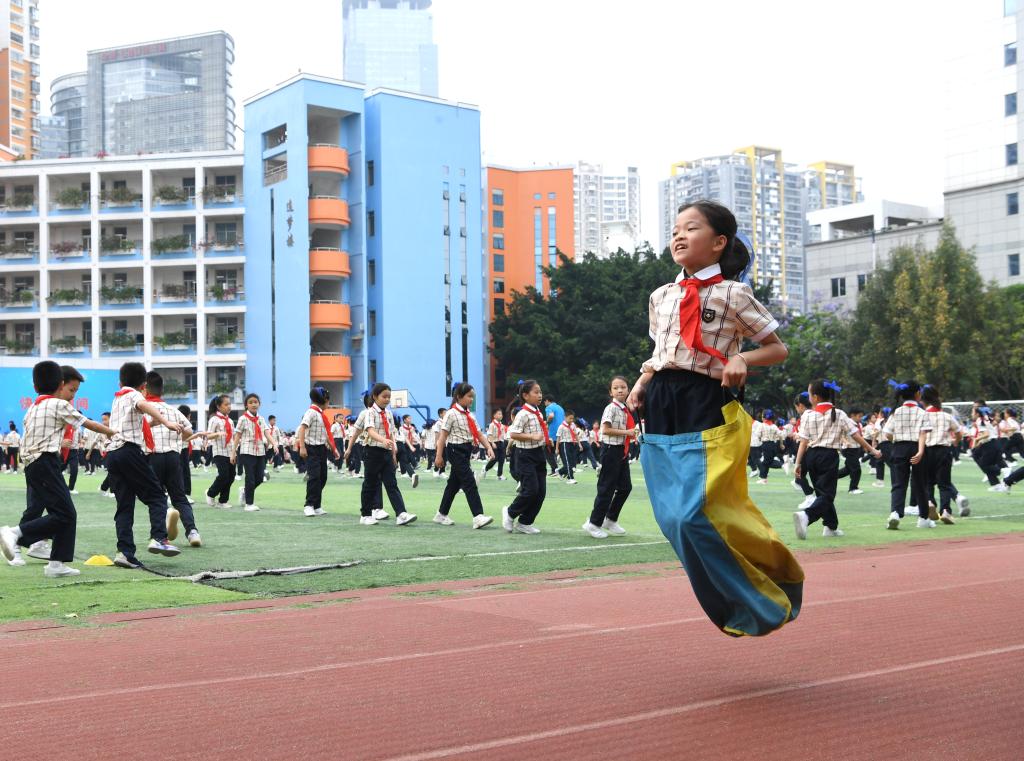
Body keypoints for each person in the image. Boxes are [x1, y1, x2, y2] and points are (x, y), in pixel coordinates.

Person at [625, 199, 803, 637]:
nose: (679, 236)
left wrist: (742, 358)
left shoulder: (733, 294)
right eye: (675, 230)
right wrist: (642, 382)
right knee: (672, 519)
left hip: (706, 398)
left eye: (691, 228)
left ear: (719, 242)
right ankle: (740, 601)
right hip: (660, 402)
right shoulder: (660, 297)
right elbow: (662, 352)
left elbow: (777, 349)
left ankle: (772, 584)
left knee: (697, 513)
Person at [1, 362, 117, 576]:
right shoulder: (59, 405)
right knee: (65, 514)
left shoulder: (32, 408)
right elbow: (88, 423)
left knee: (64, 513)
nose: (72, 396)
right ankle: (15, 533)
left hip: (34, 465)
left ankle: (56, 564)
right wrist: (113, 432)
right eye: (72, 390)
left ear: (35, 387)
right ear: (61, 384)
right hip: (45, 462)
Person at [104, 362, 186, 569]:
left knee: (124, 505)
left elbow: (129, 426)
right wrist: (166, 422)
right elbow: (143, 404)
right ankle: (159, 538)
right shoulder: (134, 395)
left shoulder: (117, 399)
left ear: (120, 382)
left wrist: (150, 423)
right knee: (157, 496)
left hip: (113, 454)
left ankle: (124, 552)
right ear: (144, 386)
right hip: (129, 452)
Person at [792, 380, 880, 539]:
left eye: (810, 394)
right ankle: (806, 516)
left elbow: (803, 442)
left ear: (816, 397)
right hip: (829, 456)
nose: (809, 397)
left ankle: (831, 527)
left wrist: (798, 463)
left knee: (822, 493)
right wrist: (872, 449)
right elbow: (855, 435)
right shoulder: (839, 414)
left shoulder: (807, 415)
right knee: (827, 495)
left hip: (811, 456)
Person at [144, 372, 204, 548]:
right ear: (161, 390)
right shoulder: (173, 410)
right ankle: (192, 532)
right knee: (179, 497)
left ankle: (159, 535)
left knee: (156, 497)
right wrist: (178, 438)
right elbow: (189, 431)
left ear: (145, 389)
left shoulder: (143, 409)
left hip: (153, 457)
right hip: (173, 457)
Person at [433, 383, 494, 528]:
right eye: (469, 396)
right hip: (455, 450)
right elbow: (442, 436)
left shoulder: (470, 415)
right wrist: (438, 456)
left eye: (473, 397)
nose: (471, 399)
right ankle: (478, 516)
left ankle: (441, 514)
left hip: (466, 450)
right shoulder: (451, 414)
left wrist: (488, 447)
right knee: (469, 482)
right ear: (459, 397)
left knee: (453, 485)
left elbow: (479, 433)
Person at [585, 375, 638, 538]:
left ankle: (610, 519)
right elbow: (605, 430)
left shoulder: (624, 408)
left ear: (628, 390)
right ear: (610, 392)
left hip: (621, 451)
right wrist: (627, 432)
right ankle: (594, 523)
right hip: (610, 450)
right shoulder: (611, 408)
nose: (620, 390)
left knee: (625, 487)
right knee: (606, 488)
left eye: (623, 387)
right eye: (616, 388)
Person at [359, 383, 417, 526]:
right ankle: (365, 515)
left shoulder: (389, 413)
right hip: (372, 452)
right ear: (375, 396)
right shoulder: (370, 412)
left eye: (389, 397)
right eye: (384, 396)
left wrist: (393, 453)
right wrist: (383, 440)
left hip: (386, 453)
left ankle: (401, 514)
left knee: (392, 483)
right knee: (370, 484)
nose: (387, 399)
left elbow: (390, 433)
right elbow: (370, 430)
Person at [882, 380, 933, 529]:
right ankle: (923, 518)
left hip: (899, 448)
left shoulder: (896, 412)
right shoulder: (922, 412)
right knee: (920, 483)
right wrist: (920, 451)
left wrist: (897, 441)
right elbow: (923, 433)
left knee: (899, 482)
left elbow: (887, 433)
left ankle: (895, 513)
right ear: (917, 394)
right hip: (917, 447)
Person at [503, 380, 550, 534]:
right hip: (525, 455)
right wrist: (532, 437)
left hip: (538, 454)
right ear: (525, 395)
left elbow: (539, 432)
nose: (540, 395)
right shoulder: (522, 414)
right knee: (531, 490)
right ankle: (510, 513)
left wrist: (545, 439)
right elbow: (513, 433)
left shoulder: (538, 412)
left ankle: (525, 522)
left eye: (540, 392)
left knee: (541, 492)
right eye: (536, 392)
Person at [920, 384, 964, 522]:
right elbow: (959, 432)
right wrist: (955, 441)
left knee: (928, 482)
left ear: (923, 400)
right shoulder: (946, 416)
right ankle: (945, 511)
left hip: (926, 450)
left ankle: (930, 502)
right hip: (943, 451)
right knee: (944, 483)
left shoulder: (922, 415)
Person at [296, 386, 338, 517]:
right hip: (311, 448)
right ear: (323, 400)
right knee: (314, 477)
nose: (329, 403)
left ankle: (317, 505)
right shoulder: (311, 412)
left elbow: (325, 435)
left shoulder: (321, 415)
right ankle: (308, 505)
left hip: (321, 449)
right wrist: (302, 447)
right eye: (328, 400)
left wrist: (333, 449)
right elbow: (302, 428)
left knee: (322, 477)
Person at [233, 393, 275, 512]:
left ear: (259, 404)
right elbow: (237, 436)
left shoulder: (261, 419)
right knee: (250, 477)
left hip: (260, 450)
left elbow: (266, 432)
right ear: (246, 405)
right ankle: (249, 504)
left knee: (260, 478)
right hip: (246, 450)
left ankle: (244, 491)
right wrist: (233, 452)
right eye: (250, 402)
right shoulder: (243, 419)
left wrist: (274, 443)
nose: (253, 404)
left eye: (255, 402)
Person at [205, 395, 235, 508]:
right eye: (226, 404)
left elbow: (232, 438)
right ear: (218, 406)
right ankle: (210, 493)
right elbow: (208, 436)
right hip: (219, 452)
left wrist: (234, 452)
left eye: (229, 404)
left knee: (231, 476)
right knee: (223, 475)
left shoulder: (230, 421)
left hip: (230, 452)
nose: (229, 406)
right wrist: (218, 434)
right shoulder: (214, 419)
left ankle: (223, 501)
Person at [836, 406, 866, 495]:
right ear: (852, 415)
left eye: (861, 416)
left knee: (848, 469)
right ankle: (853, 488)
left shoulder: (859, 424)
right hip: (849, 449)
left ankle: (828, 478)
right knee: (856, 469)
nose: (861, 418)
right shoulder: (847, 423)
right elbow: (840, 434)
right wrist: (845, 441)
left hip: (856, 449)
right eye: (859, 416)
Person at [755, 410, 783, 484]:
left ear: (764, 417)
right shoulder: (774, 426)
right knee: (766, 462)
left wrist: (760, 439)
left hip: (766, 445)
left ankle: (783, 465)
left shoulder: (762, 425)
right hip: (773, 445)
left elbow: (757, 434)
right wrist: (781, 444)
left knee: (766, 462)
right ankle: (764, 479)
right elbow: (780, 434)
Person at [555, 410, 583, 484]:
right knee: (567, 462)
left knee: (572, 463)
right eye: (570, 418)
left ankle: (560, 472)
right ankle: (570, 478)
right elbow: (558, 438)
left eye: (572, 418)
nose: (571, 420)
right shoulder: (561, 427)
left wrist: (579, 444)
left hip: (572, 444)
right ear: (565, 417)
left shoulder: (573, 425)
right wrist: (557, 448)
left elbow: (576, 435)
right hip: (564, 444)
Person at [481, 409, 508, 481]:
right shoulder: (492, 425)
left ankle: (500, 475)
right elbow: (489, 435)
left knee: (502, 459)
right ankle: (485, 468)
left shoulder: (502, 425)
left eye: (501, 414)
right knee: (494, 459)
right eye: (499, 414)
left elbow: (503, 435)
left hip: (501, 443)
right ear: (494, 415)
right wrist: (492, 443)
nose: (501, 415)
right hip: (494, 443)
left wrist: (505, 442)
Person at [542, 394, 564, 476]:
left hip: (553, 433)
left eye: (544, 402)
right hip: (562, 433)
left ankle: (555, 470)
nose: (544, 404)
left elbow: (551, 416)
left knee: (547, 451)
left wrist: (546, 422)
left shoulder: (549, 407)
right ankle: (560, 469)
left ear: (547, 401)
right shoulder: (560, 408)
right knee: (560, 452)